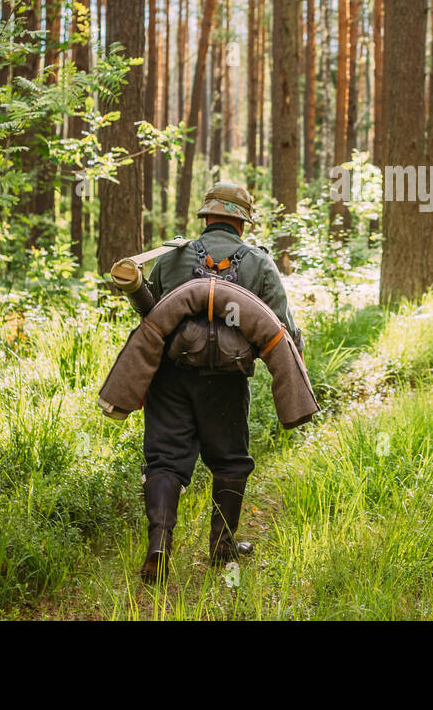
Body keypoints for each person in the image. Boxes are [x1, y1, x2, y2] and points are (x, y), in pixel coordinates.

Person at [138, 181, 303, 584]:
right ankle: (223, 546)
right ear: (242, 223)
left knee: (165, 459)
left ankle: (159, 545)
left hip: (170, 377)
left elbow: (151, 319)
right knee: (229, 460)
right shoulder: (260, 264)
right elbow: (284, 330)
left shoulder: (171, 258)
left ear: (207, 216)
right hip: (226, 382)